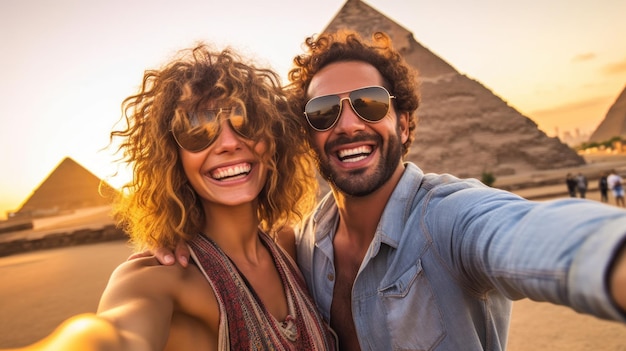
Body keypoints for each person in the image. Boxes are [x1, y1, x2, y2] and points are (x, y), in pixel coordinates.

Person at [152, 31, 626, 350]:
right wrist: (180, 234)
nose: (349, 124)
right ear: (305, 134)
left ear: (405, 122)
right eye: (323, 112)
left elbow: (542, 238)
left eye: (370, 104)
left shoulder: (449, 218)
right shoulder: (303, 243)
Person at [9, 44, 336, 351]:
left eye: (246, 122)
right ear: (173, 157)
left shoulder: (290, 246)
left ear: (273, 137)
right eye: (196, 130)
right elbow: (110, 334)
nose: (228, 143)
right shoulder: (161, 280)